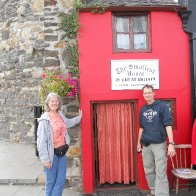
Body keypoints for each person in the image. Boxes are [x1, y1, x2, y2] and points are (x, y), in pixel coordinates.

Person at [37, 92, 82, 196]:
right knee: (51, 181)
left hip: (61, 152)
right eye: (52, 101)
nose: (54, 103)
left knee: (61, 180)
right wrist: (45, 160)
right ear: (48, 103)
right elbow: (41, 142)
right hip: (51, 154)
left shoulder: (60, 114)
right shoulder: (44, 120)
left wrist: (79, 118)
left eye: (56, 101)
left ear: (59, 103)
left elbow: (68, 123)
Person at [137, 84, 175, 196]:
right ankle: (154, 191)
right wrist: (138, 142)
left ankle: (162, 194)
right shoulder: (143, 109)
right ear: (143, 94)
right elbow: (141, 128)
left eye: (149, 92)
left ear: (154, 93)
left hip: (159, 144)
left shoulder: (162, 106)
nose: (147, 95)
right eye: (145, 93)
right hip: (146, 144)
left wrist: (171, 144)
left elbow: (168, 125)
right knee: (148, 169)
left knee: (160, 170)